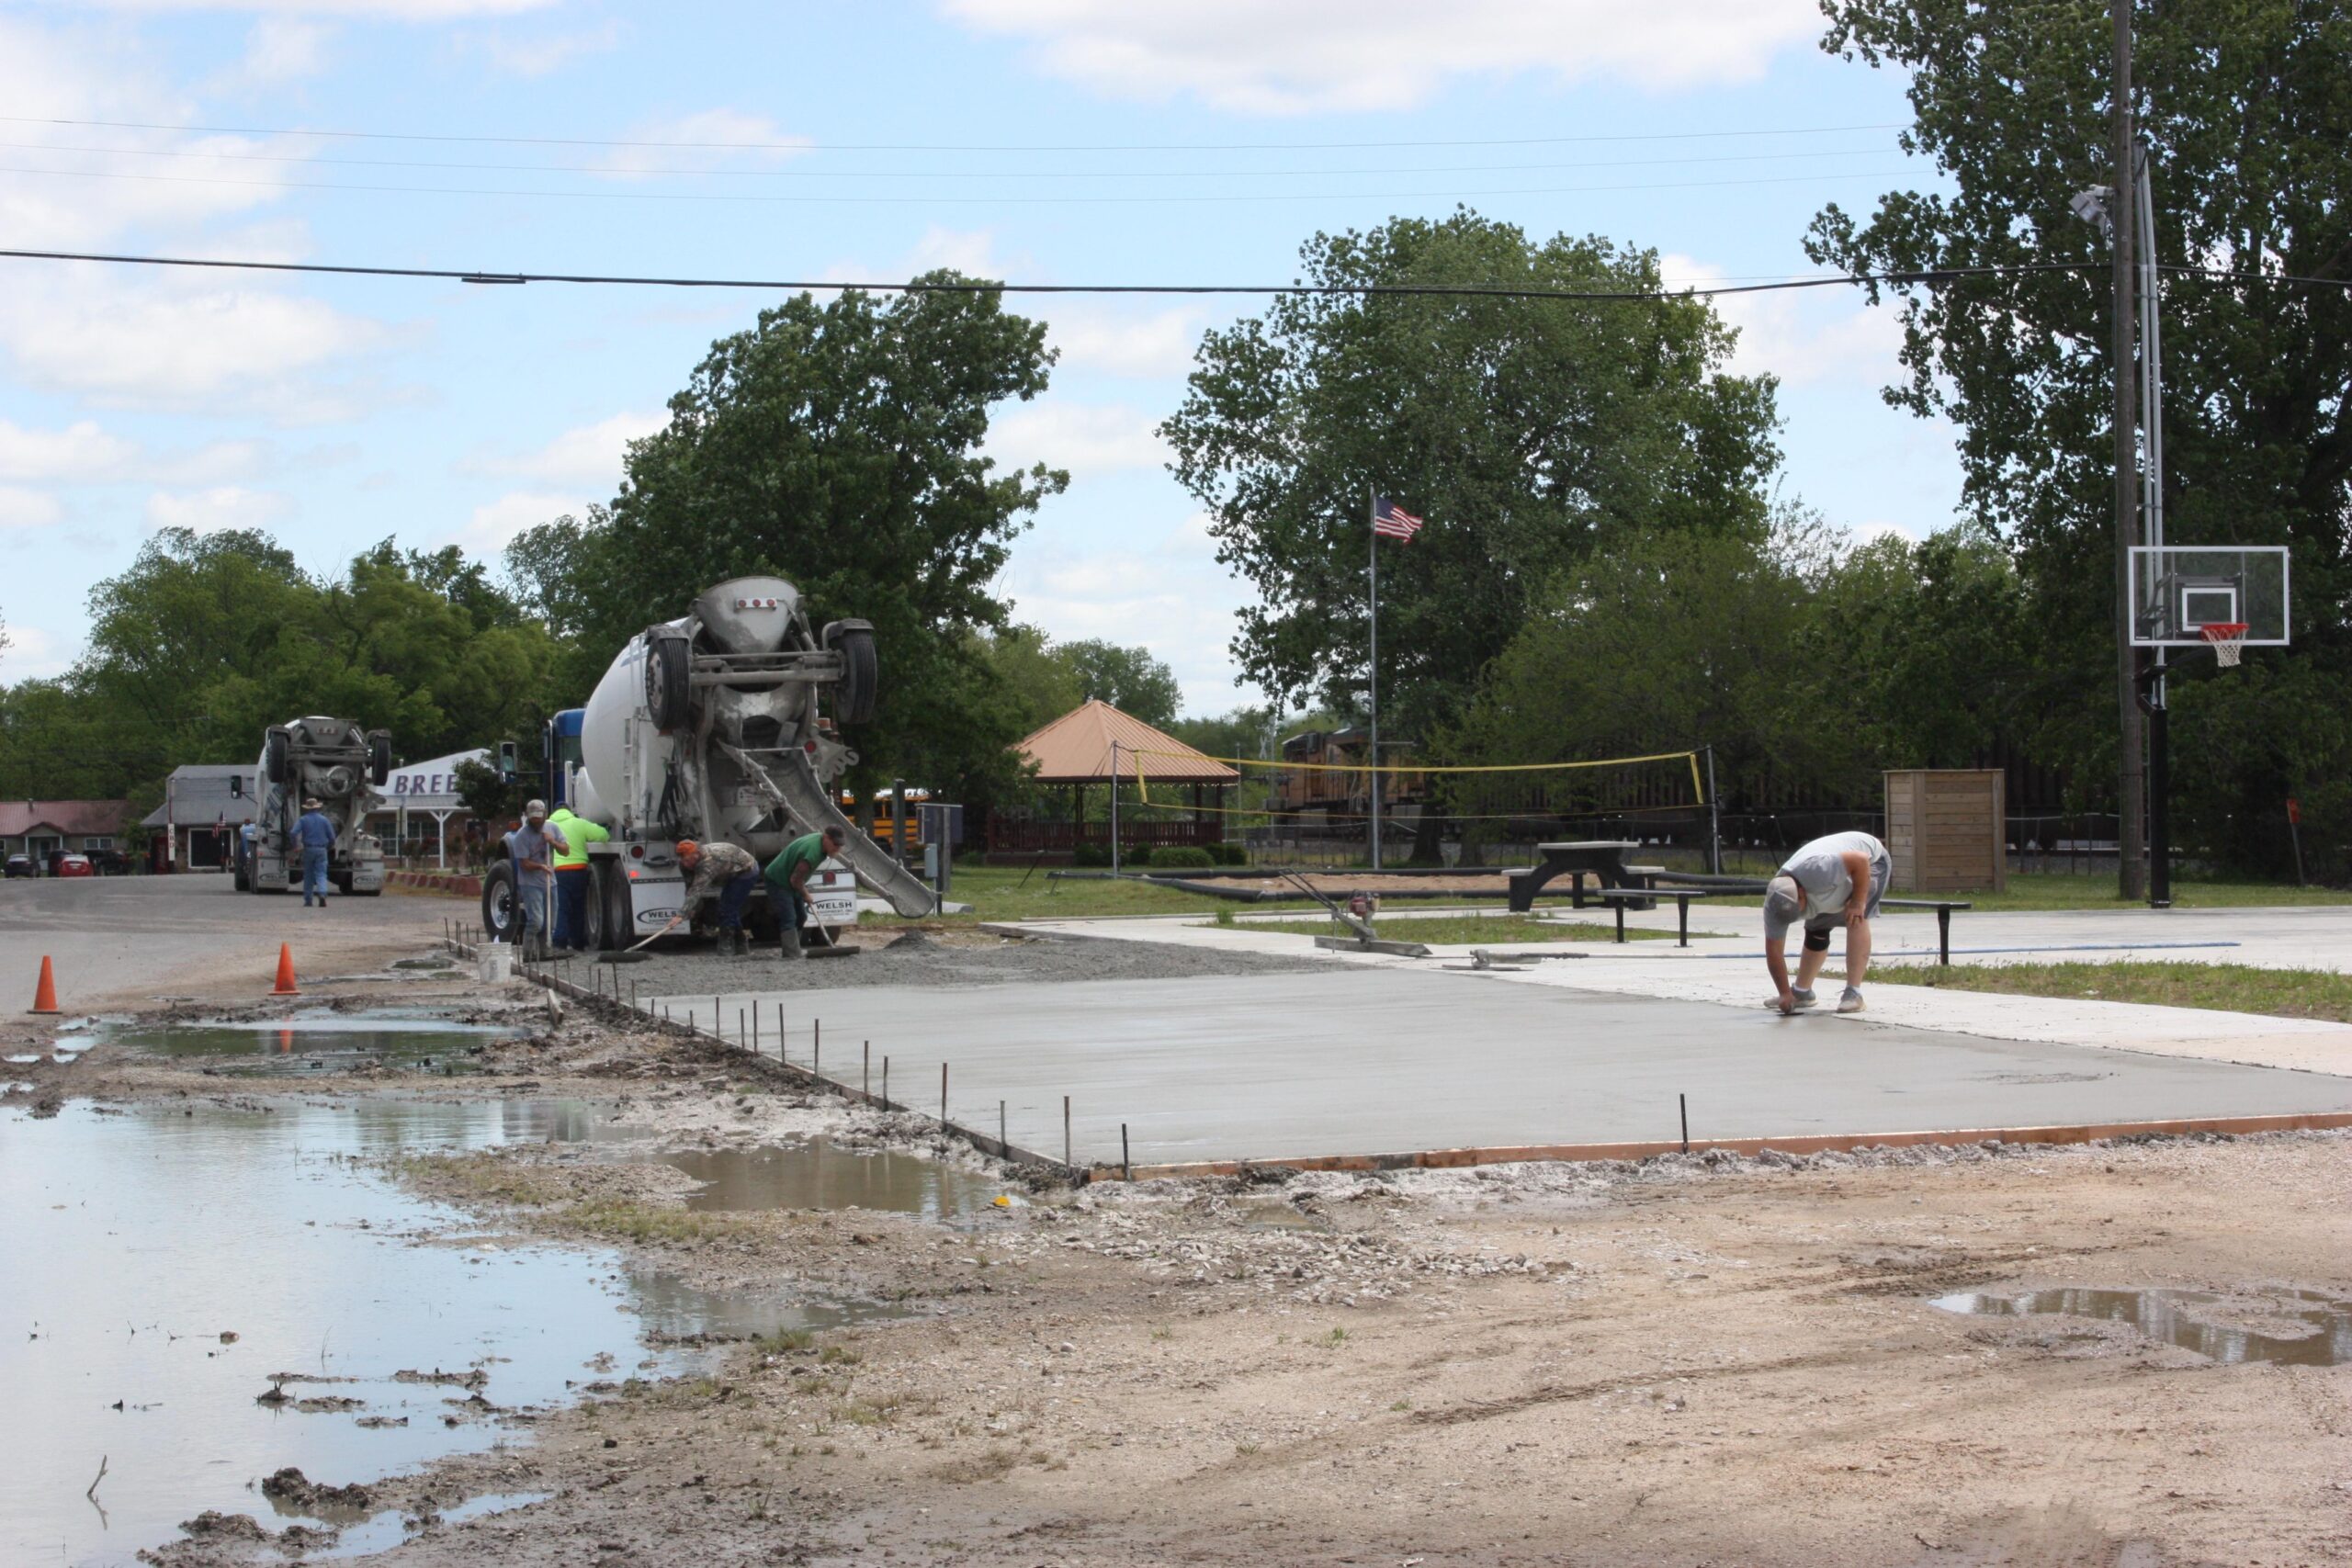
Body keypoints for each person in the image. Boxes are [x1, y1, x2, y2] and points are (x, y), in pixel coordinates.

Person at [1763, 829, 1892, 1015]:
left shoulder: (1818, 871)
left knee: (1855, 916)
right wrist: (1784, 994)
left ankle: (1853, 993)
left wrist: (1858, 901)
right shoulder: (1776, 900)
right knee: (1816, 926)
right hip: (1836, 875)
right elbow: (1774, 951)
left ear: (1801, 893)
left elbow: (1860, 860)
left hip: (1870, 862)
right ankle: (1801, 993)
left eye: (1799, 909)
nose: (1799, 914)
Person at [764, 826, 846, 961]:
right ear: (826, 838)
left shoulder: (820, 843)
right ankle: (791, 954)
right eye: (835, 844)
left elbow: (796, 880)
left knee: (801, 916)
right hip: (778, 880)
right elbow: (795, 879)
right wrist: (806, 894)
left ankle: (795, 948)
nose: (837, 848)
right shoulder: (812, 853)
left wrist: (802, 891)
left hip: (791, 881)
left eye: (840, 845)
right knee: (789, 917)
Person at [503, 800, 568, 957]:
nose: (536, 821)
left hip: (549, 882)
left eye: (539, 817)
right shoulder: (522, 836)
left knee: (550, 922)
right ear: (528, 816)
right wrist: (540, 867)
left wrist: (552, 841)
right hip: (530, 884)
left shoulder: (552, 828)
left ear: (545, 814)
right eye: (533, 818)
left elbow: (566, 851)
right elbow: (524, 864)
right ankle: (528, 954)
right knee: (536, 921)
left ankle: (545, 951)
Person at [675, 839, 762, 956]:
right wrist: (692, 908)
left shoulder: (709, 862)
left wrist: (681, 915)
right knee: (729, 908)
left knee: (726, 908)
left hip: (746, 870)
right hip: (729, 872)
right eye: (683, 860)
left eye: (688, 860)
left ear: (697, 854)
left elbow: (697, 889)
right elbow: (690, 887)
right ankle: (741, 943)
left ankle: (726, 946)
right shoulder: (684, 865)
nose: (686, 864)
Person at [546, 803, 609, 950]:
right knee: (578, 907)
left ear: (554, 812)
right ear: (569, 811)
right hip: (579, 870)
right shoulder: (579, 823)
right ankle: (577, 941)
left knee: (561, 907)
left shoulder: (548, 825)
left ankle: (560, 940)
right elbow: (603, 835)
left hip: (560, 871)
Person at [293, 797, 337, 908]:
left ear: (307, 808)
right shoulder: (324, 820)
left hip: (308, 849)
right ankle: (322, 894)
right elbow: (332, 837)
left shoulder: (303, 820)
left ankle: (308, 900)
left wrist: (295, 845)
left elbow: (293, 832)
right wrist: (329, 846)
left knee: (308, 875)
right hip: (322, 849)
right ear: (317, 808)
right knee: (321, 873)